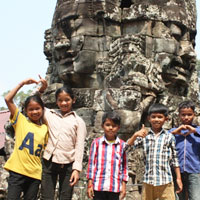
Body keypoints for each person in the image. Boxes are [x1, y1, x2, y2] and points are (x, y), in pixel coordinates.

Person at [37, 76, 87, 200]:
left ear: (73, 100)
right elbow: (33, 103)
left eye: (67, 100)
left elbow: (79, 146)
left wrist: (76, 169)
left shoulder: (78, 121)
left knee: (65, 197)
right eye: (60, 100)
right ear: (56, 101)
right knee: (46, 197)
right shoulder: (49, 114)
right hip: (49, 162)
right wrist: (41, 90)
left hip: (68, 164)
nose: (64, 103)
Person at [127, 103, 182, 200]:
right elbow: (126, 148)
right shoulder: (145, 135)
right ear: (149, 118)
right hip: (148, 180)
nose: (156, 119)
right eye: (154, 117)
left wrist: (178, 178)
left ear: (166, 119)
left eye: (160, 117)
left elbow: (175, 159)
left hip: (165, 181)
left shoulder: (169, 137)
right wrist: (135, 135)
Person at [4, 78, 48, 200]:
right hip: (17, 171)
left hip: (34, 174)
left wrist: (43, 89)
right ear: (26, 111)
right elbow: (8, 99)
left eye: (37, 108)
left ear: (42, 109)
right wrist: (22, 84)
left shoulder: (45, 128)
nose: (34, 112)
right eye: (31, 109)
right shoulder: (21, 121)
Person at [86, 111, 128, 200]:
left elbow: (124, 166)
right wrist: (90, 184)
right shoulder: (96, 143)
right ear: (102, 126)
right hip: (98, 186)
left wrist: (123, 186)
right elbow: (91, 164)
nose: (111, 128)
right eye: (108, 125)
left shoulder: (122, 145)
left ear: (118, 127)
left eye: (114, 126)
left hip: (114, 187)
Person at [169, 100, 200, 200]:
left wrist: (194, 131)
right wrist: (176, 131)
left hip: (194, 170)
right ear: (179, 115)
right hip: (177, 171)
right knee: (178, 197)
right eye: (183, 115)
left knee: (195, 197)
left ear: (194, 115)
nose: (186, 117)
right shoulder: (172, 132)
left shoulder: (198, 131)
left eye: (189, 114)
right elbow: (162, 138)